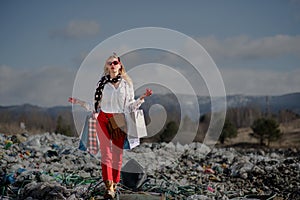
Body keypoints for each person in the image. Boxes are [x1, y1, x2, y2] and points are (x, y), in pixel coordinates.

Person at [94, 53, 152, 199]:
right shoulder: (102, 83)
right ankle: (108, 188)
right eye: (109, 63)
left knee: (117, 154)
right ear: (107, 67)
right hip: (103, 119)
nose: (112, 66)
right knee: (106, 153)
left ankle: (115, 184)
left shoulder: (127, 85)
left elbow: (130, 106)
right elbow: (96, 103)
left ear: (120, 66)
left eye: (115, 63)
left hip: (119, 120)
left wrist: (142, 98)